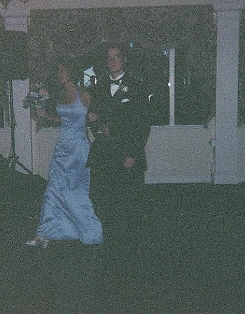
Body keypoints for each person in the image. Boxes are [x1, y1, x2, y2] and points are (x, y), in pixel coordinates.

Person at [25, 60, 103, 247]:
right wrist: (45, 115)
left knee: (76, 191)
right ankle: (44, 233)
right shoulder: (60, 94)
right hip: (62, 147)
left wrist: (95, 120)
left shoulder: (83, 94)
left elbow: (97, 116)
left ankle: (89, 231)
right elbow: (64, 119)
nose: (59, 74)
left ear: (71, 71)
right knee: (53, 187)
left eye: (62, 70)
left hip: (78, 148)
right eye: (58, 71)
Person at [86, 43, 151, 241]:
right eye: (109, 58)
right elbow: (93, 117)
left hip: (127, 152)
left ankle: (131, 243)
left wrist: (133, 154)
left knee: (130, 202)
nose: (112, 61)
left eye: (116, 57)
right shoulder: (98, 88)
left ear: (124, 60)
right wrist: (99, 126)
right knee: (104, 201)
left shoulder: (137, 87)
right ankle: (108, 240)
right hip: (105, 152)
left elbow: (143, 124)